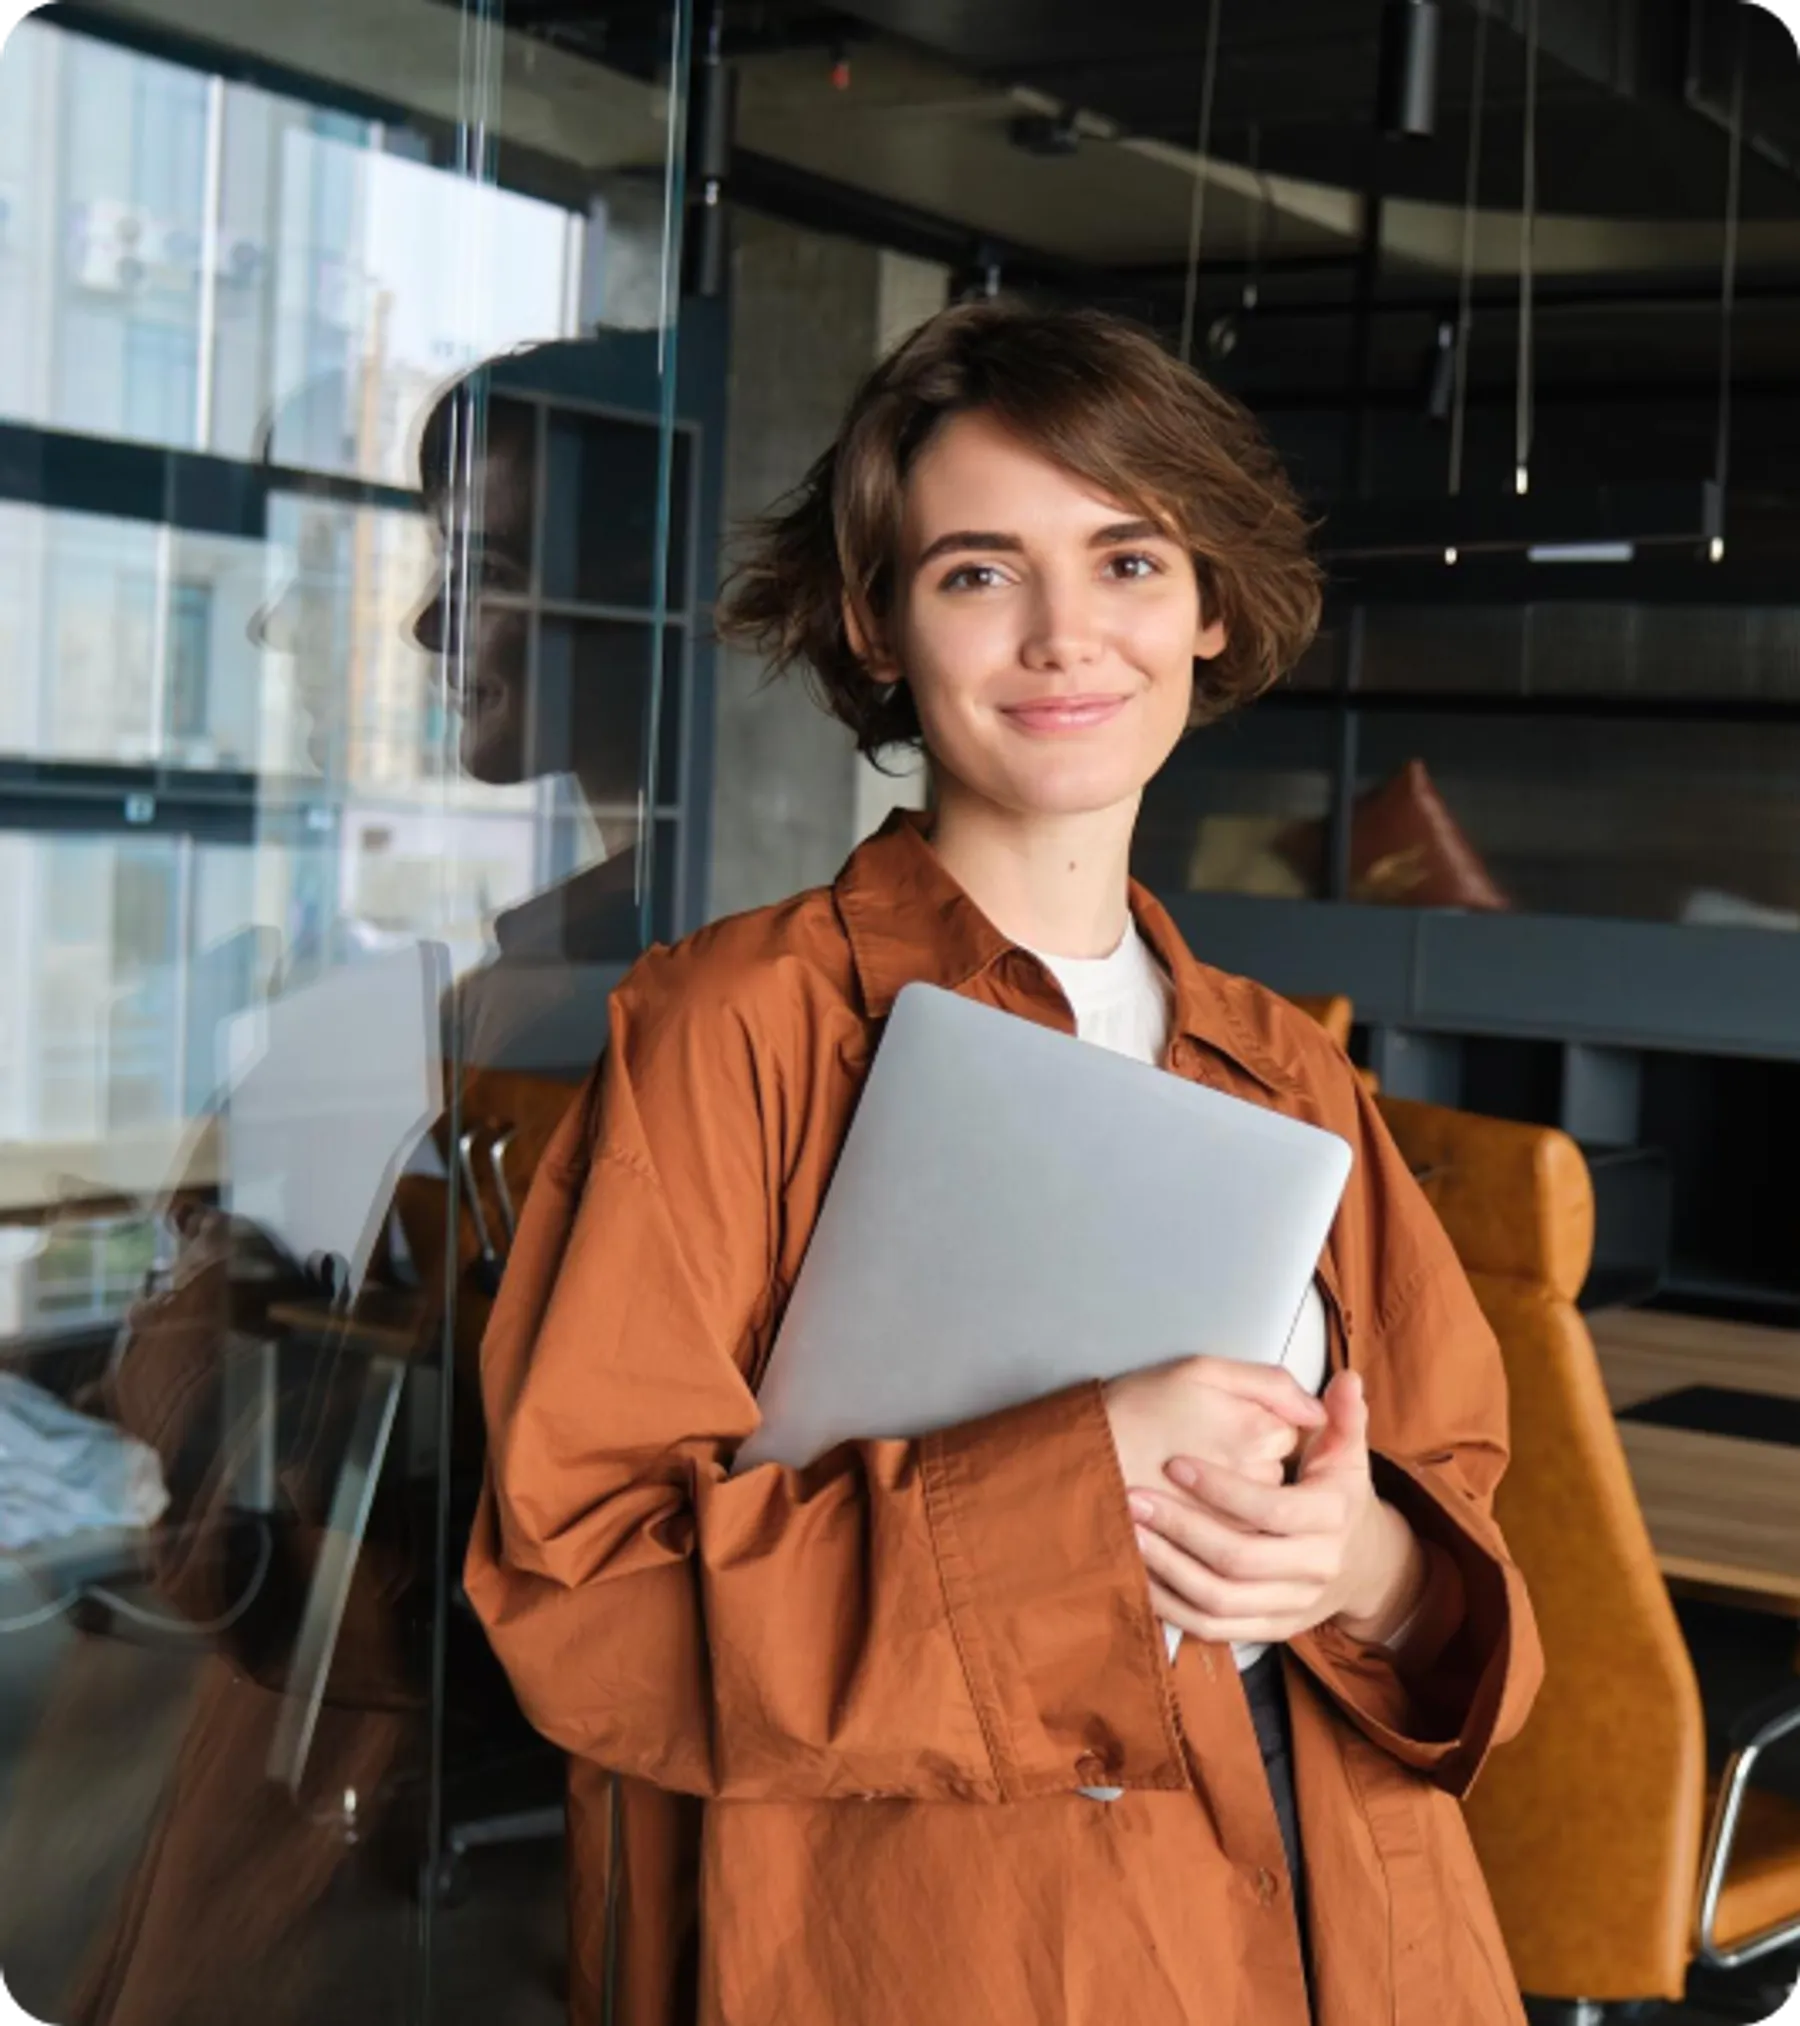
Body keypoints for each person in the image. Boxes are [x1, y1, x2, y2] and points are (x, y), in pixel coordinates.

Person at [465, 299, 1544, 2026]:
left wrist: (1367, 1567)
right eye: (979, 572)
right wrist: (1075, 1486)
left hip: (1361, 1945)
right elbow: (583, 1603)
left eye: (1127, 561)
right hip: (946, 1954)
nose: (1065, 636)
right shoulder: (733, 1030)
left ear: (1207, 611)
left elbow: (1464, 1555)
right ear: (876, 624)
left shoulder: (1295, 1070)